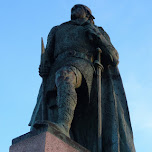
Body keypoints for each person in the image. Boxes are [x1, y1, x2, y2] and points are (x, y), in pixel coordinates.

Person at [29, 4, 135, 152]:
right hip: (57, 67)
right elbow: (47, 58)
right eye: (73, 8)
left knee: (65, 75)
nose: (74, 9)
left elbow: (113, 57)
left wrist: (97, 36)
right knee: (61, 78)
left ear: (88, 14)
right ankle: (62, 130)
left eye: (79, 7)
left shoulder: (96, 30)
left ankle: (63, 126)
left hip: (83, 64)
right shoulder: (57, 30)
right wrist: (44, 66)